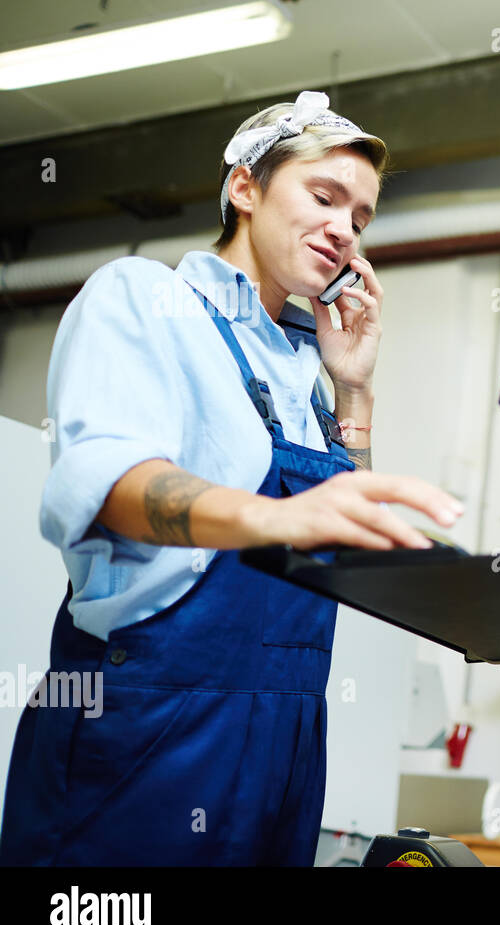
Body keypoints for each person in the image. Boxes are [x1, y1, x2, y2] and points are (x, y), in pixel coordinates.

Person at [0, 91, 462, 866]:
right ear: (245, 188)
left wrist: (353, 392)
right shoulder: (143, 297)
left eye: (361, 217)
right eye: (324, 196)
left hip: (285, 736)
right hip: (149, 725)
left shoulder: (302, 367)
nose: (345, 229)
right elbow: (112, 486)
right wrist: (273, 519)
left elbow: (343, 551)